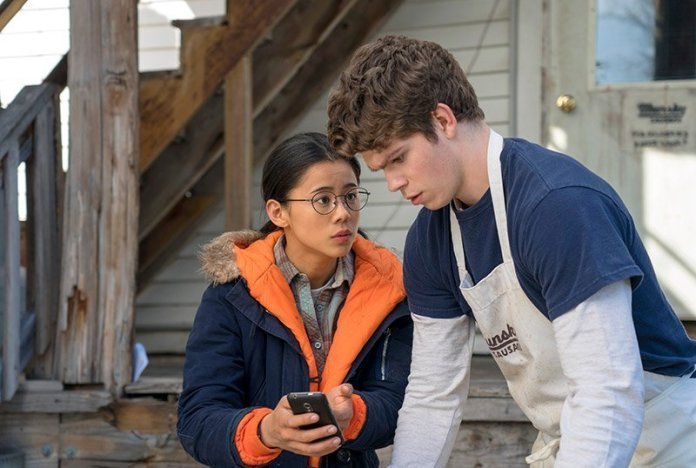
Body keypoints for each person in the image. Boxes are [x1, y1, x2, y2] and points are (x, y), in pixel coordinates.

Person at [326, 35, 696, 467]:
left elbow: (608, 389)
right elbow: (432, 396)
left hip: (664, 434)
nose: (393, 183)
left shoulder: (557, 206)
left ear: (443, 120)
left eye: (398, 159)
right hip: (570, 436)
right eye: (381, 170)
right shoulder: (430, 238)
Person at [177, 132, 413, 467]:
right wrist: (266, 432)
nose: (343, 213)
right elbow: (198, 418)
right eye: (323, 200)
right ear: (278, 212)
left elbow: (398, 401)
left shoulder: (389, 289)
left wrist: (354, 414)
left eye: (350, 196)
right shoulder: (230, 295)